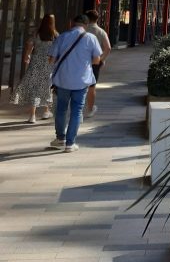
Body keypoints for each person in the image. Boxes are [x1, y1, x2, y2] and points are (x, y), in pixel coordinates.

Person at [48, 14, 102, 153]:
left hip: (63, 80)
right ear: (86, 25)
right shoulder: (91, 38)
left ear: (72, 23)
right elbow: (96, 60)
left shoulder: (62, 37)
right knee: (77, 111)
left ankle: (60, 138)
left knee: (61, 109)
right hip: (81, 80)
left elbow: (51, 60)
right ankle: (70, 143)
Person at [12, 14, 58, 123]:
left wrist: (27, 55)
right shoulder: (56, 35)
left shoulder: (37, 33)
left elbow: (29, 44)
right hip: (49, 63)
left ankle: (32, 115)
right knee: (47, 86)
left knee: (35, 87)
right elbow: (58, 50)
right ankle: (46, 111)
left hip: (36, 62)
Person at [84, 8, 111, 116]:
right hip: (95, 62)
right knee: (91, 87)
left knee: (79, 86)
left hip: (81, 61)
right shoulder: (101, 32)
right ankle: (90, 109)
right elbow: (108, 48)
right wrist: (101, 60)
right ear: (97, 19)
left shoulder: (83, 30)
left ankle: (77, 108)